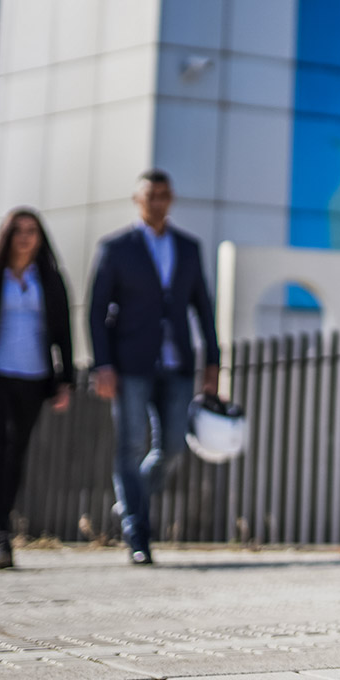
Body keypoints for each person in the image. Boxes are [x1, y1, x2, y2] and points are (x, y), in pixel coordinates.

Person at [88, 170, 221, 564]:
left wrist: (213, 362)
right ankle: (138, 535)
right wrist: (103, 364)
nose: (158, 202)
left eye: (164, 195)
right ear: (138, 200)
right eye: (151, 196)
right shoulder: (116, 248)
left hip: (177, 364)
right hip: (130, 365)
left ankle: (131, 500)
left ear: (171, 198)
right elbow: (96, 311)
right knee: (130, 445)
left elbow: (204, 308)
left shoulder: (188, 248)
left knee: (174, 446)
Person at [0, 208, 75, 570]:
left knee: (17, 452)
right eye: (18, 231)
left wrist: (65, 380)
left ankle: (2, 526)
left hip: (34, 377)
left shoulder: (50, 280)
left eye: (31, 231)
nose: (25, 237)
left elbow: (64, 332)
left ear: (40, 238)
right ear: (7, 236)